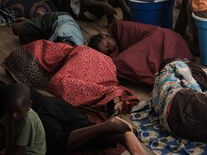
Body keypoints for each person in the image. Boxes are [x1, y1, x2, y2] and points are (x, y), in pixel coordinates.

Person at [0, 85, 145, 155]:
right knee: (82, 128)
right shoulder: (15, 91)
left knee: (52, 144)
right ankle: (122, 136)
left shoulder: (20, 113)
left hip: (43, 111)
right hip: (55, 103)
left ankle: (104, 127)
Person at [2, 40, 138, 115]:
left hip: (98, 74)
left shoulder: (106, 61)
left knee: (60, 83)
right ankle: (113, 96)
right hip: (41, 55)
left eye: (109, 48)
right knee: (60, 83)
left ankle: (113, 96)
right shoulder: (89, 52)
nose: (108, 48)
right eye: (107, 44)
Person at [88, 20, 193, 86]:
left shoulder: (120, 27)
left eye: (107, 44)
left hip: (163, 37)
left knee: (121, 62)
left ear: (104, 35)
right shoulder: (116, 47)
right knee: (119, 63)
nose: (109, 49)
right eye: (107, 51)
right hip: (154, 43)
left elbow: (142, 39)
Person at [0, 83, 46, 155]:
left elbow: (20, 151)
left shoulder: (28, 120)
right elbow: (2, 132)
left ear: (29, 105)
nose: (13, 115)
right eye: (10, 110)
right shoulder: (10, 109)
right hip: (13, 148)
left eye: (18, 111)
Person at [11, 12, 85, 45]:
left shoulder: (79, 51)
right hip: (59, 19)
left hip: (55, 32)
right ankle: (39, 18)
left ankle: (38, 20)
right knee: (16, 28)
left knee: (24, 39)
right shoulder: (63, 37)